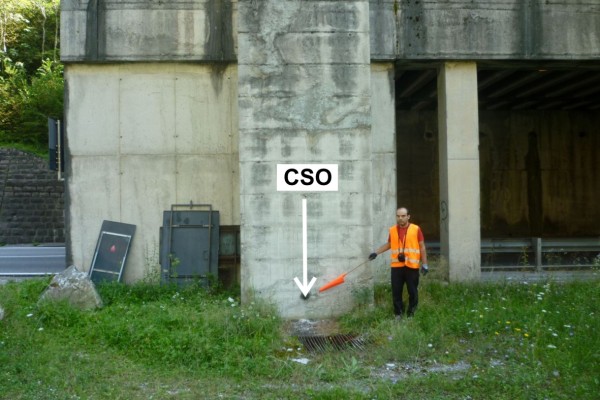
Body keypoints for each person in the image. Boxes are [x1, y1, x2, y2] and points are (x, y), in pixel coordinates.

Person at [369, 207, 429, 319]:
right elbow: (389, 244)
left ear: (408, 216)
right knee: (396, 291)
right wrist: (376, 253)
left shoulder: (416, 229)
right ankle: (398, 314)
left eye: (403, 216)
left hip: (411, 266)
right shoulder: (392, 230)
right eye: (398, 216)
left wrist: (425, 264)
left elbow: (422, 247)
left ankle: (411, 314)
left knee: (412, 291)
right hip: (397, 267)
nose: (400, 218)